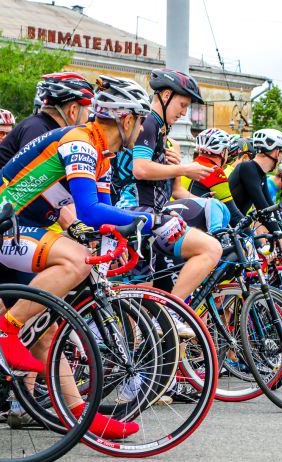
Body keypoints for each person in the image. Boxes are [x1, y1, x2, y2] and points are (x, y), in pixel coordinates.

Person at [0, 76, 194, 438]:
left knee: (49, 329)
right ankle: (2, 332)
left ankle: (83, 417)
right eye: (140, 122)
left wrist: (123, 236)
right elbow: (90, 211)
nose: (141, 131)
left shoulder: (101, 158)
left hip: (22, 229)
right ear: (127, 120)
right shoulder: (80, 143)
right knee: (75, 261)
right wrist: (151, 219)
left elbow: (103, 219)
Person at [113, 68, 222, 299]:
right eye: (182, 105)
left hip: (146, 215)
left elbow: (174, 189)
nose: (185, 113)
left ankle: (164, 316)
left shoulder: (161, 130)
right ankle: (173, 312)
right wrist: (184, 168)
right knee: (210, 248)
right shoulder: (150, 123)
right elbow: (140, 169)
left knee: (139, 300)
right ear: (165, 96)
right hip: (137, 212)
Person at [0, 72, 94, 199]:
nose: (88, 117)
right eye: (87, 110)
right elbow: (40, 188)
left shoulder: (41, 126)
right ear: (73, 111)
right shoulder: (38, 130)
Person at [228, 128, 282, 261]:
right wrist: (281, 240)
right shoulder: (247, 168)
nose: (281, 158)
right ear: (276, 152)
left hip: (235, 226)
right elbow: (262, 209)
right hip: (227, 226)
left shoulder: (260, 175)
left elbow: (271, 209)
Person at [186, 127, 244, 226]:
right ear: (222, 152)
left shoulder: (189, 166)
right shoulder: (215, 172)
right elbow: (234, 215)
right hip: (196, 229)